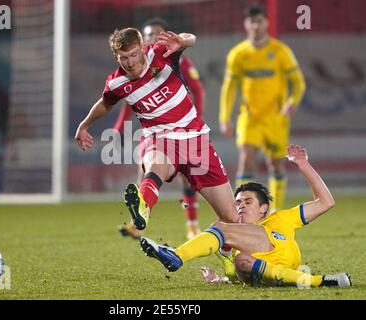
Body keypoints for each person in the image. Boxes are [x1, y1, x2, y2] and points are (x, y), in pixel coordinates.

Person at [75, 28, 240, 241]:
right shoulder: (117, 83)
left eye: (134, 55)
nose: (130, 62)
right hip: (159, 139)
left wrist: (182, 41)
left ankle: (232, 262)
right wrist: (85, 124)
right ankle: (142, 210)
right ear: (116, 57)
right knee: (155, 166)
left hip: (195, 139)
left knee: (231, 217)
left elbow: (192, 39)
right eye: (123, 58)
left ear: (142, 48)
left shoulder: (160, 53)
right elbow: (105, 104)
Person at [140, 144, 352, 288]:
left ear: (264, 208)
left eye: (248, 202)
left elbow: (326, 202)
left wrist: (303, 165)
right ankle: (316, 281)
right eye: (238, 202)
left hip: (282, 254)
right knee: (241, 261)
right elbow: (234, 273)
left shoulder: (280, 219)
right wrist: (220, 280)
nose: (240, 206)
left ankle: (177, 256)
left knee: (220, 227)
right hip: (264, 272)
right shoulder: (235, 244)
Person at [114, 18, 206, 240]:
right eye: (148, 35)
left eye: (157, 34)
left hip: (183, 129)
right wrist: (119, 127)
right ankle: (138, 220)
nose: (152, 38)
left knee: (188, 177)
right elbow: (127, 98)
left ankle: (192, 225)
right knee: (144, 170)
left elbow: (198, 90)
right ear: (141, 40)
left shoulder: (176, 58)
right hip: (154, 131)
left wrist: (196, 120)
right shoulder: (134, 64)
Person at [219, 4, 306, 212]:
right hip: (249, 118)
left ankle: (272, 211)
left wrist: (292, 101)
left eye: (259, 21)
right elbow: (229, 88)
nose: (256, 26)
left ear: (266, 23)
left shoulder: (280, 51)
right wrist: (224, 118)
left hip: (276, 118)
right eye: (252, 22)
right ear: (246, 24)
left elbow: (299, 82)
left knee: (275, 164)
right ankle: (240, 210)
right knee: (246, 159)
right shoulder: (238, 54)